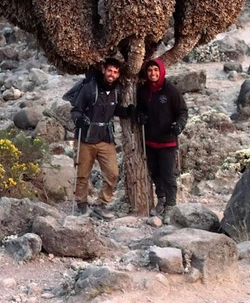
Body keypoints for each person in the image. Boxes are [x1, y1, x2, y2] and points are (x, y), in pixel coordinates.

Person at [70, 58, 130, 219]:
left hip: (105, 138)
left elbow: (115, 110)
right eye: (110, 70)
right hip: (86, 138)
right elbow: (76, 110)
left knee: (113, 173)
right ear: (103, 69)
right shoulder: (89, 89)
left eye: (116, 72)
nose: (112, 74)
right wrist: (79, 120)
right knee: (82, 174)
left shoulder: (117, 91)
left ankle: (101, 204)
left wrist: (128, 112)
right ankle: (81, 204)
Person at [135, 58, 188, 218]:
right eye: (150, 70)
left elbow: (182, 111)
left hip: (168, 141)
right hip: (150, 141)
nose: (153, 73)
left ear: (161, 71)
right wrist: (139, 117)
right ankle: (161, 199)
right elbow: (138, 110)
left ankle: (171, 205)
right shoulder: (143, 91)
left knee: (168, 174)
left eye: (156, 70)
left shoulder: (171, 91)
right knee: (155, 173)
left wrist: (179, 125)